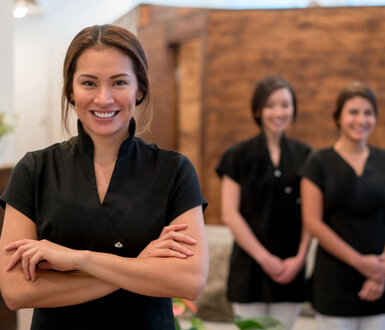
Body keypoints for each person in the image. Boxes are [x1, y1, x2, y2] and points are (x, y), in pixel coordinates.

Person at [0, 24, 209, 330]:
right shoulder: (34, 170)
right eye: (89, 83)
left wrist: (78, 260)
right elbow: (15, 290)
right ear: (71, 89)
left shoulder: (173, 171)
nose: (103, 98)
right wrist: (140, 268)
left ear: (140, 89)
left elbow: (190, 281)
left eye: (119, 82)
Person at [216, 75, 312, 329]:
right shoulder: (237, 156)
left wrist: (300, 258)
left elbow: (312, 215)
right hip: (249, 268)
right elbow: (229, 214)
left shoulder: (306, 156)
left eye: (285, 105)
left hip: (291, 267)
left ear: (294, 109)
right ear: (258, 109)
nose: (278, 112)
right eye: (270, 105)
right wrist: (264, 258)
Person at [300, 81, 385, 330]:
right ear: (338, 117)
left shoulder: (383, 160)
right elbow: (312, 222)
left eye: (368, 112)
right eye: (353, 112)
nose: (361, 119)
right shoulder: (318, 162)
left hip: (380, 281)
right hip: (334, 281)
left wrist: (380, 272)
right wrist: (360, 262)